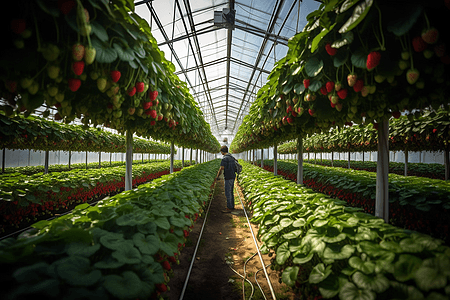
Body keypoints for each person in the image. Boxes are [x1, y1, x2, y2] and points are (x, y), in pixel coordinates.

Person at [216, 145, 236, 213]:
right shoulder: (232, 157)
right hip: (233, 176)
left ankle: (229, 207)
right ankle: (232, 206)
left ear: (222, 152)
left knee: (228, 192)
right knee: (231, 192)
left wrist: (217, 176)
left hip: (228, 177)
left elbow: (221, 168)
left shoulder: (224, 158)